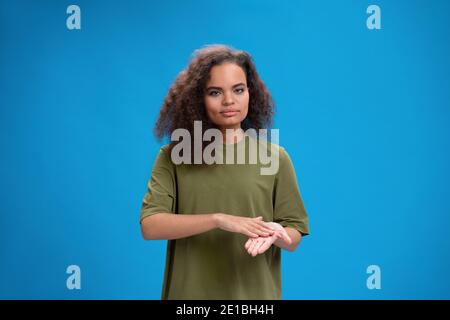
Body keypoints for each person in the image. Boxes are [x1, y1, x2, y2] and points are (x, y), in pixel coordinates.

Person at [140, 44, 310, 300]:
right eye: (215, 92)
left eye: (238, 90)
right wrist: (219, 220)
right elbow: (150, 226)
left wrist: (277, 234)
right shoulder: (174, 156)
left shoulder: (275, 158)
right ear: (198, 99)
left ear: (250, 94)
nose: (229, 101)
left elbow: (294, 235)